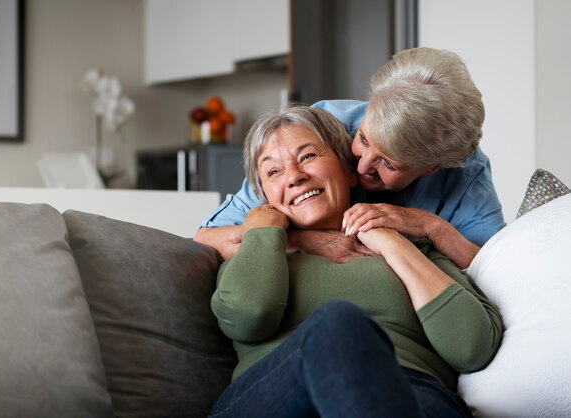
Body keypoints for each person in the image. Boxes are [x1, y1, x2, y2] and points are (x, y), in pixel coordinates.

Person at [209, 105, 502, 417]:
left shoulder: (419, 250)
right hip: (276, 392)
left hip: (410, 391)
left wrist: (390, 241)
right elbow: (248, 317)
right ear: (266, 196)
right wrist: (264, 230)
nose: (294, 177)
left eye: (308, 156)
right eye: (273, 172)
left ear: (350, 172)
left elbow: (473, 347)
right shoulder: (254, 250)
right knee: (338, 326)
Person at [195, 47, 505, 269]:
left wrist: (431, 227)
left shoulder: (466, 174)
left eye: (388, 163)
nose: (361, 165)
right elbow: (207, 237)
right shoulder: (319, 129)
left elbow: (496, 272)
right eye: (362, 140)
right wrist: (306, 241)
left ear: (430, 168)